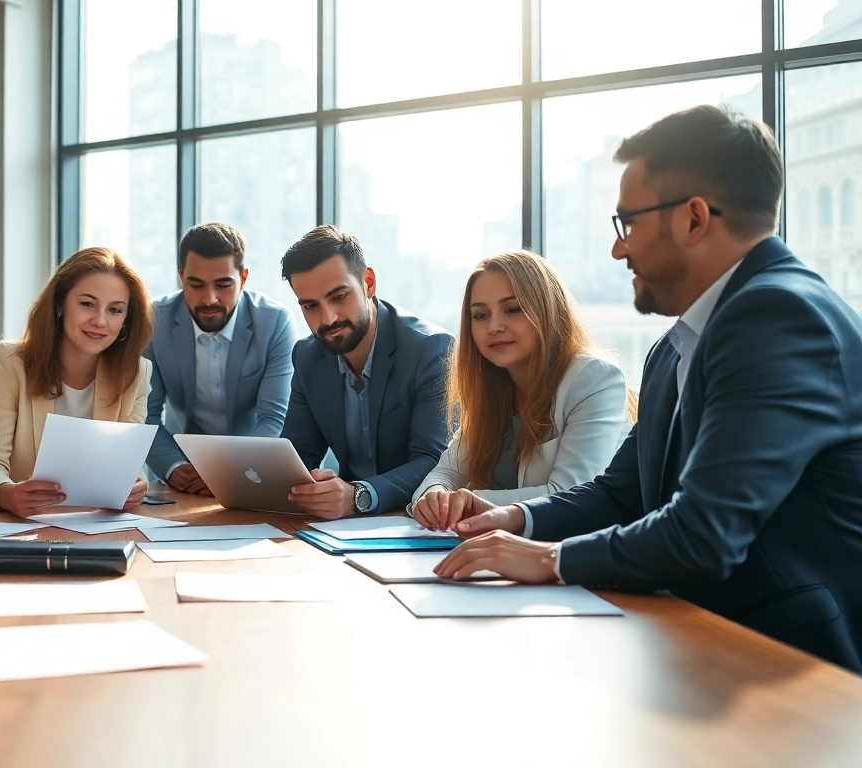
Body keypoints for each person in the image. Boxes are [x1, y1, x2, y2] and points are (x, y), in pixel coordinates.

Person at [430, 105, 862, 673]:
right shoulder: (675, 345)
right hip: (689, 639)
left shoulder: (778, 315)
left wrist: (551, 559)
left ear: (694, 218)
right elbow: (619, 494)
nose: (618, 248)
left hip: (786, 663)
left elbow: (703, 533)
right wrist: (515, 521)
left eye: (627, 224)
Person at [409, 250, 635, 528]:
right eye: (480, 315)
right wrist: (434, 496)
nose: (493, 326)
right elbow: (445, 472)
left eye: (512, 309)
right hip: (505, 556)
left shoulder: (594, 378)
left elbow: (569, 495)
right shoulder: (492, 388)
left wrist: (466, 501)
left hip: (576, 557)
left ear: (547, 309)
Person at [279, 225, 454, 519]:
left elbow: (435, 462)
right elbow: (298, 456)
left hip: (413, 521)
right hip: (340, 528)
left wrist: (359, 495)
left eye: (338, 297)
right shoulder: (308, 355)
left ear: (368, 283)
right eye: (310, 306)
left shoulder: (431, 350)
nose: (328, 318)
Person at [0, 247, 155, 516]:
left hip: (93, 524)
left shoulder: (136, 373)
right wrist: (8, 494)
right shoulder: (10, 362)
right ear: (59, 304)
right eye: (87, 304)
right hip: (12, 524)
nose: (100, 321)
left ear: (127, 320)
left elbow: (129, 462)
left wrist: (137, 485)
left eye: (115, 310)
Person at [144, 223, 295, 494]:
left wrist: (228, 472)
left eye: (223, 285)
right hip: (184, 474)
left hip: (254, 469)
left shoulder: (275, 323)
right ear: (181, 276)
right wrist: (172, 466)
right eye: (196, 284)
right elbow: (147, 415)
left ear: (244, 278)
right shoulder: (155, 321)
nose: (209, 299)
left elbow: (274, 419)